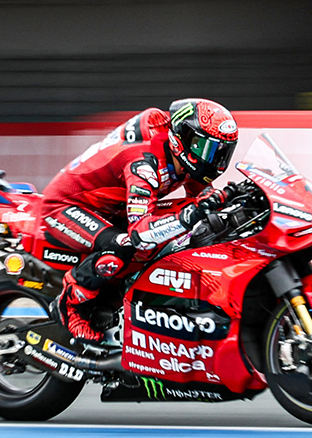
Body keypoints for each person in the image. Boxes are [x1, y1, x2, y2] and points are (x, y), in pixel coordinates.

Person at [38, 97, 239, 348]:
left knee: (185, 225)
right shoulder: (143, 163)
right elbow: (140, 232)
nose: (216, 159)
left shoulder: (180, 155)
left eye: (222, 151)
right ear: (182, 140)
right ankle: (68, 304)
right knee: (124, 245)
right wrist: (189, 215)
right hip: (66, 207)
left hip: (112, 209)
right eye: (208, 149)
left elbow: (201, 199)